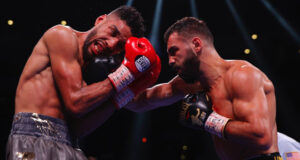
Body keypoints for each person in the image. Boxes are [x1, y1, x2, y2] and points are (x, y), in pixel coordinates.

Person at [6, 5, 161, 160]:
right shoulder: (62, 35)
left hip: (68, 143)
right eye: (113, 32)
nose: (112, 44)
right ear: (100, 20)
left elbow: (80, 128)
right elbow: (76, 104)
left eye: (120, 46)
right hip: (32, 140)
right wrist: (126, 74)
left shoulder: (86, 74)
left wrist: (127, 93)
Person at [124, 17, 282, 160]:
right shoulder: (189, 84)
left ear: (196, 45)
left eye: (174, 51)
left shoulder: (242, 75)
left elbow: (261, 137)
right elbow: (141, 101)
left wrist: (208, 120)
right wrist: (120, 76)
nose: (170, 61)